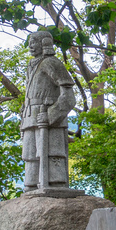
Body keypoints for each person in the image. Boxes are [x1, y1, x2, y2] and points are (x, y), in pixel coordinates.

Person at [21, 30, 76, 192]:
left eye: (34, 42)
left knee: (53, 155)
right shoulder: (31, 66)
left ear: (44, 43)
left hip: (48, 120)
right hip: (30, 118)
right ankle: (31, 186)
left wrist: (51, 115)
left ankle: (56, 186)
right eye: (30, 42)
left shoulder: (51, 63)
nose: (31, 46)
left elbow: (69, 97)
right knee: (30, 156)